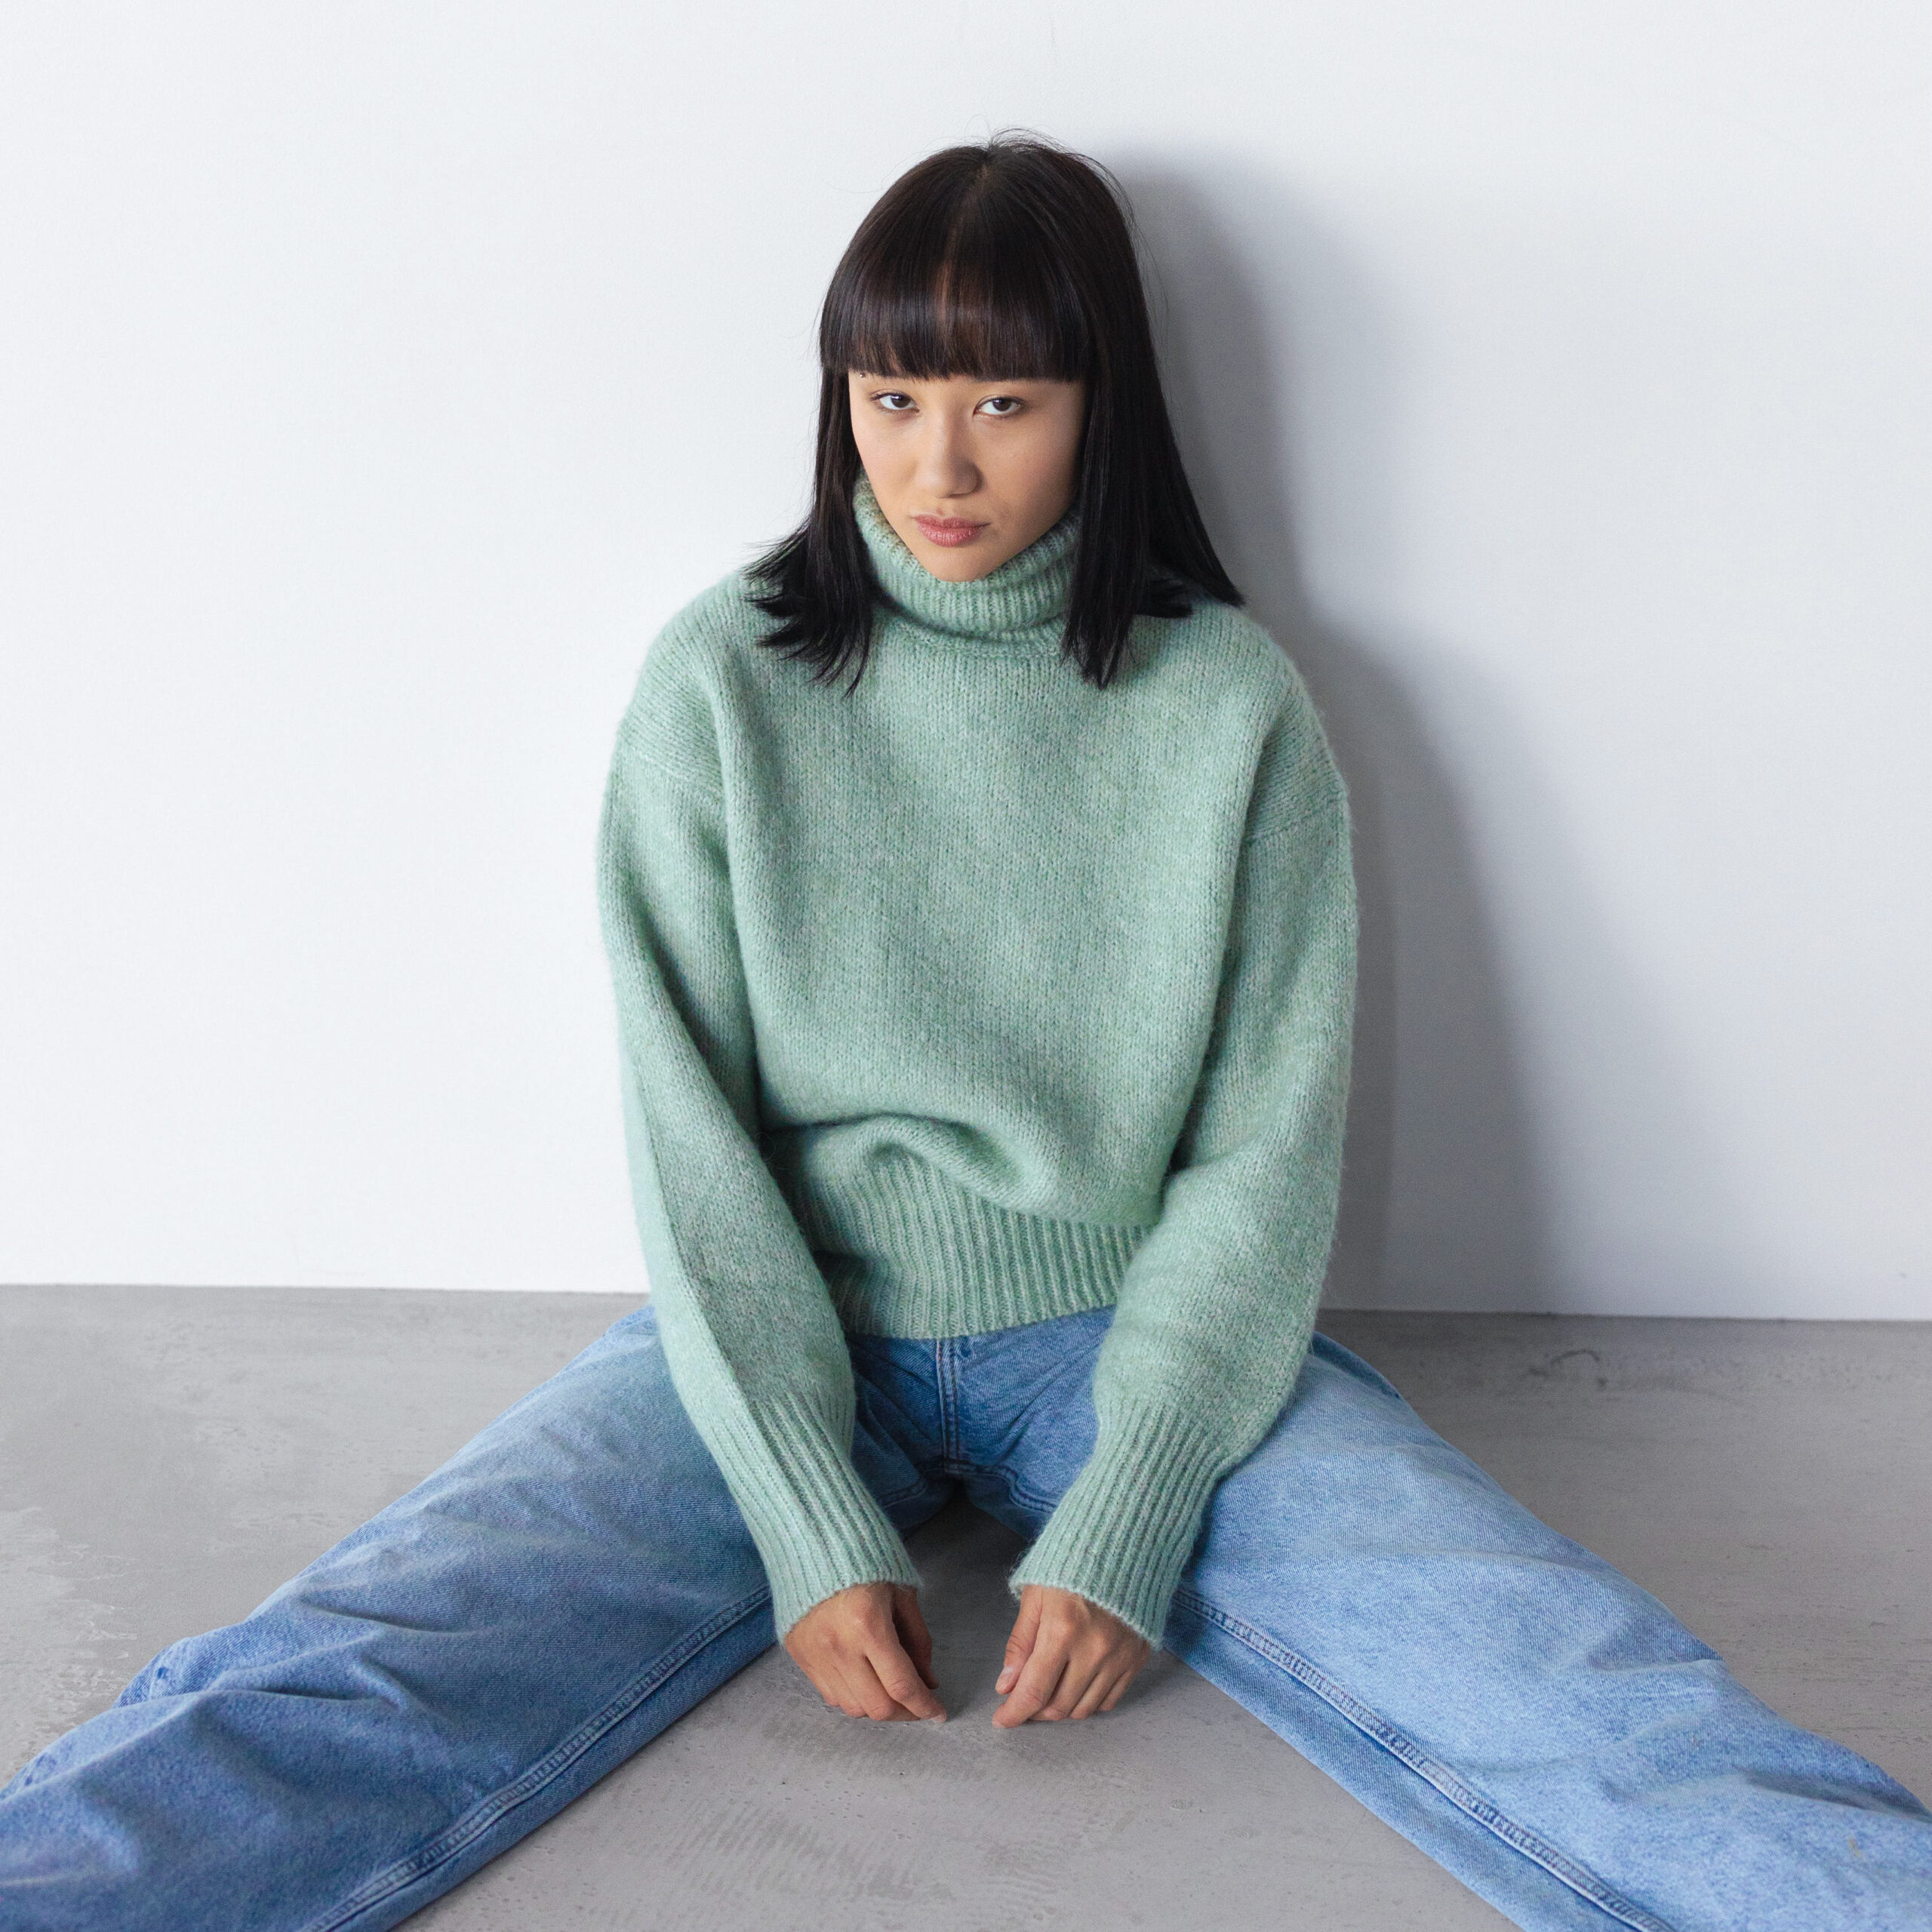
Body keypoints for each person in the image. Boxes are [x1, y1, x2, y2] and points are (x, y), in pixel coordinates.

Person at [1, 132, 1927, 1932]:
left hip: (1134, 1325)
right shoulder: (722, 676)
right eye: (889, 397)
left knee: (1567, 1677)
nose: (936, 463)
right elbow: (688, 1132)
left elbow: (1263, 1143)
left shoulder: (1227, 704)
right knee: (359, 1662)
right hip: (771, 1323)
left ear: (1102, 405)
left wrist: (1136, 1491)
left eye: (1004, 401)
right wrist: (800, 1500)